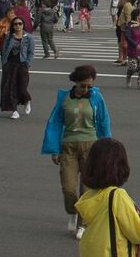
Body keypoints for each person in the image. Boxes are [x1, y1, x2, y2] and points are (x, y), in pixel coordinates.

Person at [43, 65, 113, 239]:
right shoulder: (64, 98)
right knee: (68, 188)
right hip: (68, 147)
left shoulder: (96, 97)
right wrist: (54, 149)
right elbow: (55, 123)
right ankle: (73, 211)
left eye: (90, 86)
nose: (87, 89)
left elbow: (104, 121)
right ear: (75, 83)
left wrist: (107, 145)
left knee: (87, 188)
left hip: (91, 146)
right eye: (83, 86)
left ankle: (82, 224)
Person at [0, 18, 35, 118]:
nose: (18, 26)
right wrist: (4, 63)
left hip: (22, 64)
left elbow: (31, 52)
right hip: (10, 64)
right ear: (13, 26)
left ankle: (27, 100)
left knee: (22, 87)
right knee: (11, 88)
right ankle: (14, 110)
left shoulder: (28, 37)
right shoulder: (9, 36)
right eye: (15, 24)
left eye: (20, 23)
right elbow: (4, 50)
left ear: (23, 25)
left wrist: (27, 63)